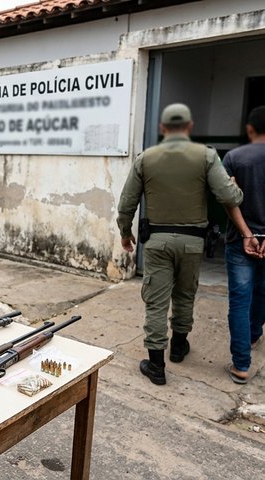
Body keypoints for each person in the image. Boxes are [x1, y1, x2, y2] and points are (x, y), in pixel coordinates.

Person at [117, 103, 243, 386]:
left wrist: (126, 233)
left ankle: (156, 365)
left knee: (156, 302)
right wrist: (236, 187)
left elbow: (126, 204)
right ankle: (178, 347)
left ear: (163, 128)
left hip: (157, 242)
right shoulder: (207, 155)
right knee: (185, 296)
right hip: (192, 243)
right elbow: (229, 196)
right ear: (189, 127)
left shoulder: (146, 158)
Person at [222, 105, 265, 384]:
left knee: (240, 300)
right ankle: (252, 336)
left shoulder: (234, 157)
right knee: (262, 293)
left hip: (241, 240)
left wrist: (247, 233)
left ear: (250, 129)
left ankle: (241, 365)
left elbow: (228, 199)